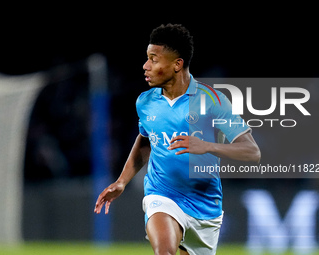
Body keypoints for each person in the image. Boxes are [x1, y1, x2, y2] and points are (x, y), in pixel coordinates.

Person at [94, 24, 261, 255]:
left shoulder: (213, 100)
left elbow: (252, 151)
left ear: (177, 64)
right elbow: (145, 139)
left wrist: (206, 146)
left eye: (153, 59)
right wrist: (122, 181)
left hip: (205, 207)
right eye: (147, 58)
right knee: (165, 252)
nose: (145, 66)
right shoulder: (145, 101)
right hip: (162, 195)